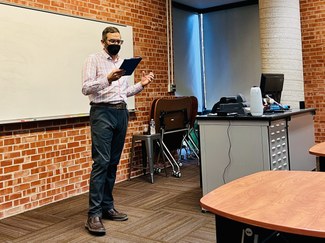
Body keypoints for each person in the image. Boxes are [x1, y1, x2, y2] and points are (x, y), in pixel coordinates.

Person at [82, 26, 154, 235]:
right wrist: (108, 79)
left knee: (112, 163)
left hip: (121, 113)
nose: (116, 44)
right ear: (103, 42)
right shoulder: (93, 59)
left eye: (119, 41)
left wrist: (141, 84)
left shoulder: (122, 63)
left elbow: (123, 92)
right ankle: (93, 215)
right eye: (112, 41)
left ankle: (107, 207)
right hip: (101, 113)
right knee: (101, 162)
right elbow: (85, 88)